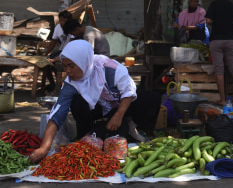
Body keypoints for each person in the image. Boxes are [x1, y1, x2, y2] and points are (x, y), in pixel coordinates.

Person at [28, 40, 161, 164]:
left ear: (83, 62)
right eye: (65, 66)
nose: (67, 71)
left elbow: (128, 91)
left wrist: (118, 116)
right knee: (77, 101)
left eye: (71, 66)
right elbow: (57, 114)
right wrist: (44, 148)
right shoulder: (71, 82)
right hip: (98, 109)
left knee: (152, 98)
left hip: (120, 105)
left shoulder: (110, 68)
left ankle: (133, 126)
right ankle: (87, 134)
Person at [205, 0, 233, 106]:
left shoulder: (214, 4)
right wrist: (229, 27)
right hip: (229, 41)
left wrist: (215, 23)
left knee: (219, 70)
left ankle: (222, 99)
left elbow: (208, 20)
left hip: (216, 40)